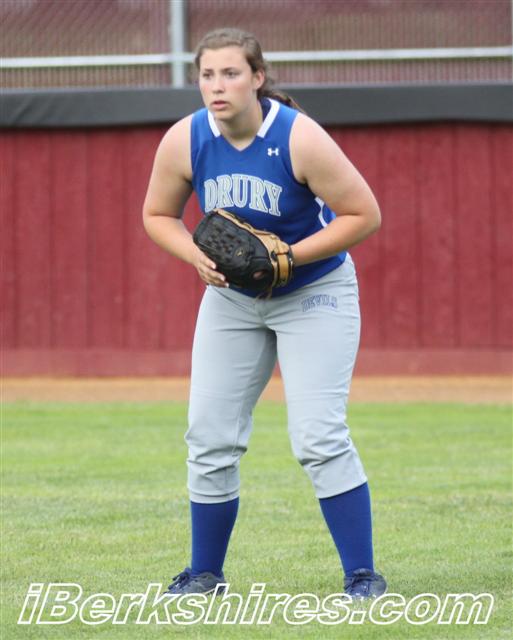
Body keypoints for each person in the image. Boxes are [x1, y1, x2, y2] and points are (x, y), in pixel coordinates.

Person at [143, 28, 386, 599]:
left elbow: (364, 214)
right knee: (208, 436)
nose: (217, 86)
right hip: (232, 299)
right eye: (207, 75)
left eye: (231, 73)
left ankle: (362, 575)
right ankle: (205, 574)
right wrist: (195, 256)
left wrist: (290, 257)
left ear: (257, 78)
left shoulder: (298, 137)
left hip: (315, 292)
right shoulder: (186, 139)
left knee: (318, 437)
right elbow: (157, 215)